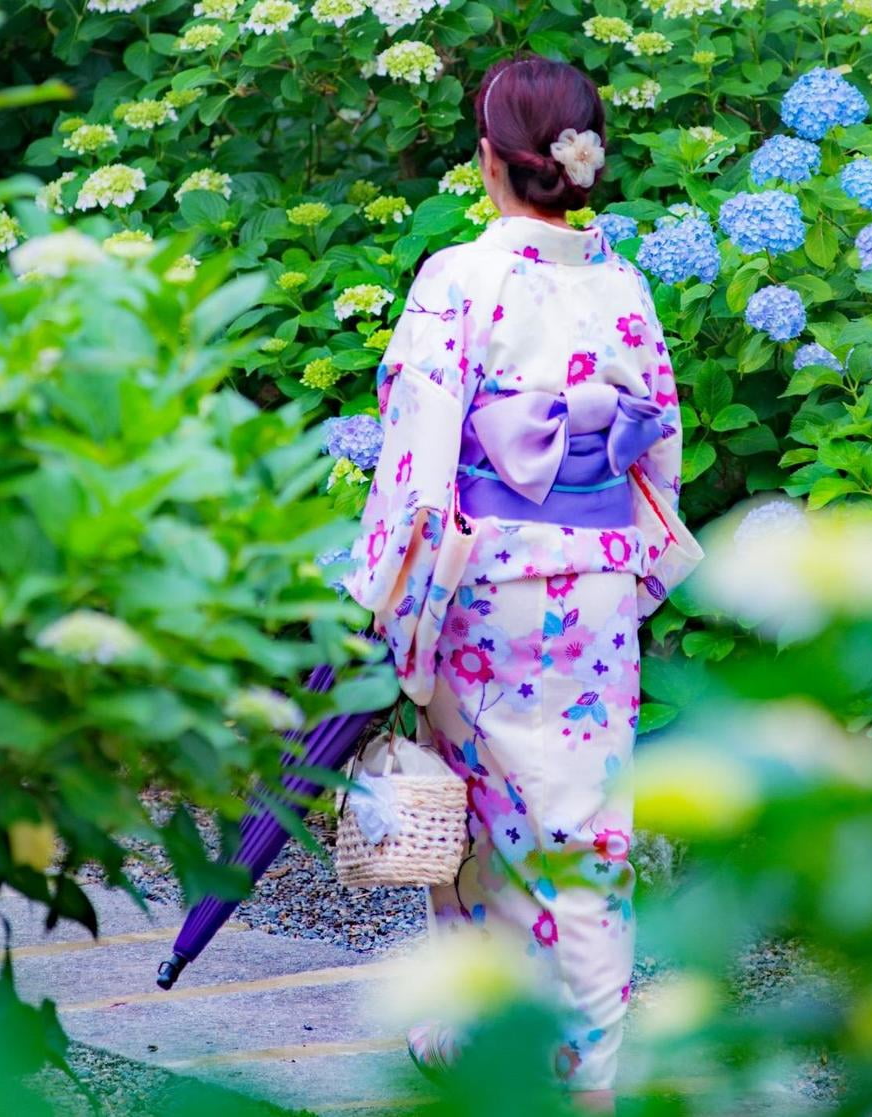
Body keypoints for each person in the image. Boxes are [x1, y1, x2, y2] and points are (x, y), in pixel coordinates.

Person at [342, 53, 704, 1113]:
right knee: (583, 823)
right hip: (591, 579)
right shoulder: (623, 285)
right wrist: (621, 573)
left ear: (491, 161)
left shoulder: (459, 278)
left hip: (482, 588)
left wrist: (388, 606)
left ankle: (513, 1046)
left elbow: (415, 464)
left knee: (477, 818)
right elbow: (659, 454)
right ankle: (554, 1054)